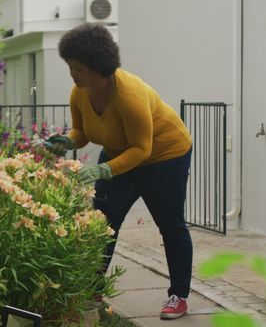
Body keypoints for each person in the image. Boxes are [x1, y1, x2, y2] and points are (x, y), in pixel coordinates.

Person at [44, 24, 193, 320]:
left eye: (79, 69)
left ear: (99, 68)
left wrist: (102, 170)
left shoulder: (130, 96)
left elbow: (142, 149)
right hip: (119, 154)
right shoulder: (80, 91)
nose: (72, 74)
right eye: (70, 67)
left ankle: (179, 295)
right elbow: (82, 132)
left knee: (170, 225)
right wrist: (64, 141)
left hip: (164, 156)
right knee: (102, 225)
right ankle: (92, 288)